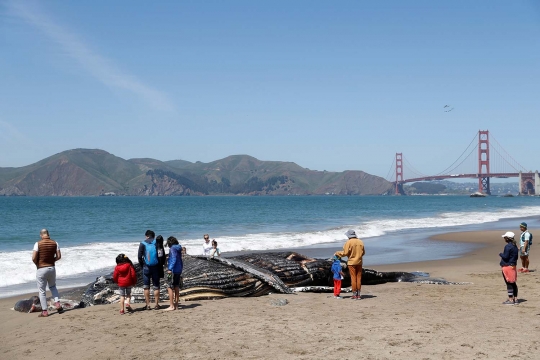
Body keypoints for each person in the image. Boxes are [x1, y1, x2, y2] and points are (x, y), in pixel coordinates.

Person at [32, 229, 64, 317]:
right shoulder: (55, 243)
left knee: (42, 291)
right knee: (53, 287)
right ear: (48, 234)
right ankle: (57, 304)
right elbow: (59, 256)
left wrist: (37, 264)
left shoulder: (37, 244)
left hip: (41, 269)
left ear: (41, 235)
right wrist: (52, 260)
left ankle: (45, 311)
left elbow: (34, 257)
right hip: (52, 268)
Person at [335, 229, 365, 300]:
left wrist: (337, 253)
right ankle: (358, 294)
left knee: (353, 278)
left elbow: (345, 253)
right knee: (359, 278)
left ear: (349, 236)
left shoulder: (348, 242)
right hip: (359, 262)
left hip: (351, 262)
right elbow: (363, 253)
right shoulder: (360, 242)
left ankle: (354, 294)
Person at [138, 230, 161, 310]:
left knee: (146, 287)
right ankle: (156, 304)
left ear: (146, 236)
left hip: (146, 267)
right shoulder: (156, 242)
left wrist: (142, 265)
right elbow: (160, 254)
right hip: (156, 266)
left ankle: (148, 305)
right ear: (153, 236)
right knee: (156, 286)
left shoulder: (142, 243)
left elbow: (139, 257)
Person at [499, 231, 519, 305]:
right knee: (513, 283)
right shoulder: (515, 246)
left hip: (507, 266)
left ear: (507, 238)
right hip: (513, 266)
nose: (504, 239)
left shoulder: (508, 246)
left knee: (509, 283)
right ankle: (515, 299)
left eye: (505, 237)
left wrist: (501, 254)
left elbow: (506, 256)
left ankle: (511, 299)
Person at [165, 236, 183, 311]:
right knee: (176, 286)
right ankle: (176, 305)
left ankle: (171, 305)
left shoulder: (172, 248)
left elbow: (174, 258)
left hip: (173, 270)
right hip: (178, 269)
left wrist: (169, 268)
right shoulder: (179, 248)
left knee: (169, 287)